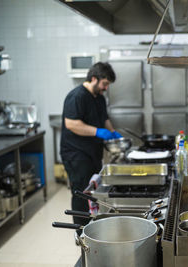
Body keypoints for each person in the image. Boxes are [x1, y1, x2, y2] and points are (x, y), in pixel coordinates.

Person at [60, 62, 122, 226]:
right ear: (94, 79)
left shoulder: (99, 98)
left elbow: (104, 119)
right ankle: (81, 230)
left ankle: (92, 225)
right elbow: (71, 124)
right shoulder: (77, 96)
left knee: (93, 191)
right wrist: (98, 132)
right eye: (105, 83)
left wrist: (114, 134)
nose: (106, 88)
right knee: (81, 193)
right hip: (76, 154)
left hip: (93, 153)